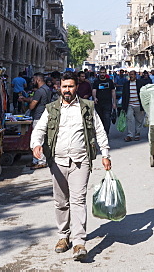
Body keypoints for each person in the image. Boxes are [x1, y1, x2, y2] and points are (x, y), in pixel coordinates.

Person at [31, 72, 111, 262]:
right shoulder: (51, 109)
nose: (67, 90)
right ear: (59, 87)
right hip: (58, 162)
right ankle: (63, 236)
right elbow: (40, 128)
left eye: (71, 86)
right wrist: (36, 144)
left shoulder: (87, 107)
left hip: (80, 161)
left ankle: (79, 242)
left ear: (76, 87)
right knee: (61, 202)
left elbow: (99, 131)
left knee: (78, 200)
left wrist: (105, 154)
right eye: (64, 86)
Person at [119, 69, 145, 141]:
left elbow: (144, 94)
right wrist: (123, 107)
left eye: (132, 74)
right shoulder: (126, 84)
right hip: (130, 104)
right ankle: (130, 135)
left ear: (135, 75)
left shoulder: (140, 83)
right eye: (130, 75)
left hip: (138, 104)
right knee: (129, 118)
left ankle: (137, 134)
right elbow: (124, 95)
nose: (131, 76)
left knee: (139, 120)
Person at [93, 67, 117, 133]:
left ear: (105, 73)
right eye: (101, 72)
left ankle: (106, 132)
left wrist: (114, 102)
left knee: (107, 118)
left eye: (103, 73)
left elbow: (113, 91)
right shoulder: (96, 81)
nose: (102, 74)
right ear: (99, 73)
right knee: (100, 119)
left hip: (108, 103)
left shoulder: (109, 81)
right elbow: (94, 90)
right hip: (99, 103)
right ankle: (101, 132)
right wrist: (94, 98)